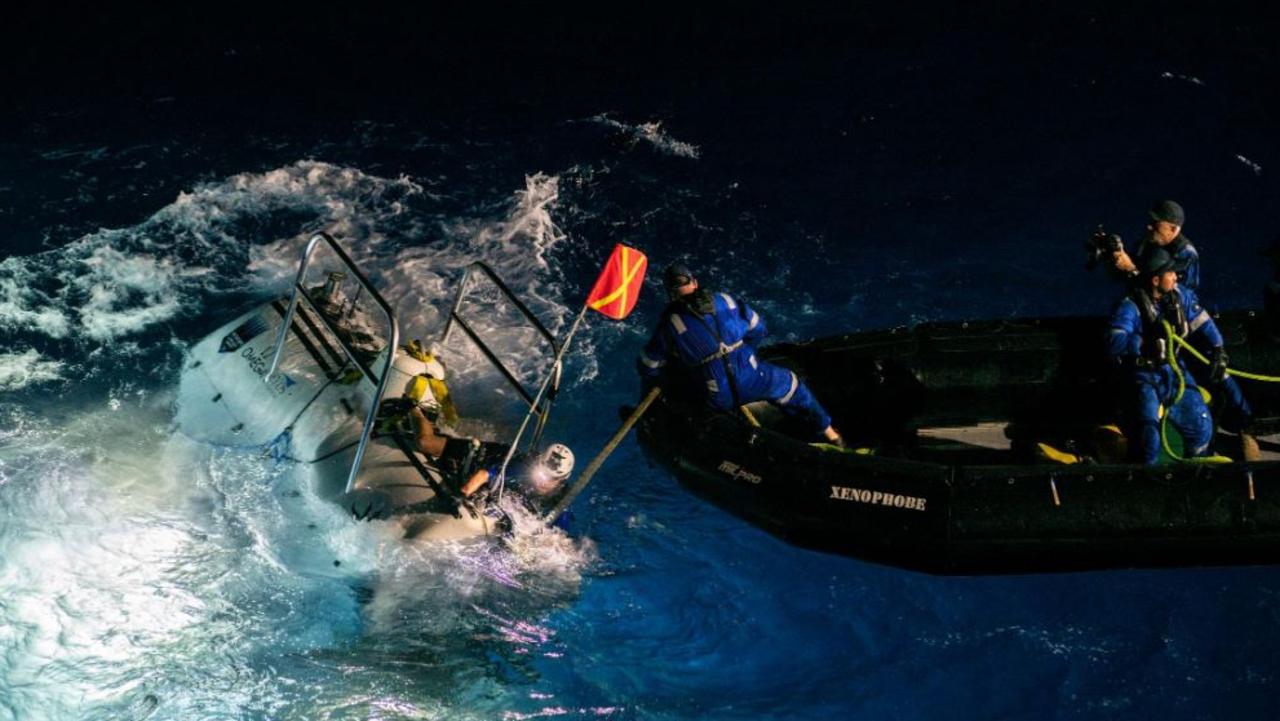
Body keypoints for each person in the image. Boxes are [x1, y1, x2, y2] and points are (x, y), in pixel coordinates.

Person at [637, 263, 843, 445]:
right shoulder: (725, 301)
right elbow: (759, 328)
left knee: (683, 389)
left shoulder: (669, 324)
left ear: (670, 293)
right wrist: (745, 353)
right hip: (754, 378)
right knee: (792, 385)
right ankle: (832, 436)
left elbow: (649, 365)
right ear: (695, 282)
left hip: (719, 397)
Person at [1107, 247, 1257, 463]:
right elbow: (1114, 342)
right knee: (1148, 435)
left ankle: (1198, 469)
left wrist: (1218, 350)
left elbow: (1203, 323)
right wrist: (1141, 342)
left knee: (1200, 424)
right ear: (1156, 280)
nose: (1175, 276)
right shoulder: (1129, 307)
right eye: (1170, 273)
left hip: (1175, 372)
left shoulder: (1181, 296)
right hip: (1145, 376)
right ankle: (1146, 479)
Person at [1112, 200, 1201, 290]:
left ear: (1173, 229)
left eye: (1155, 224)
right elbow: (1122, 277)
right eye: (1151, 221)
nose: (1149, 227)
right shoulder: (1147, 242)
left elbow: (1182, 296)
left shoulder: (1186, 254)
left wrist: (1132, 269)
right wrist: (1116, 257)